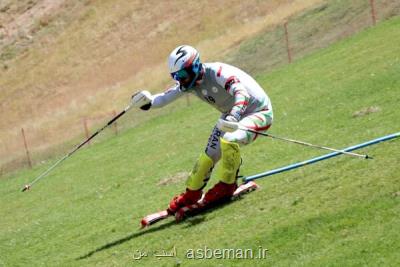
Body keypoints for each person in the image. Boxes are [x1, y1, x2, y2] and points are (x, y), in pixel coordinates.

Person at [131, 45, 273, 214]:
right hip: (230, 116)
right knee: (208, 156)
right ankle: (191, 194)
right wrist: (147, 102)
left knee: (229, 139)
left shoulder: (218, 72)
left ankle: (227, 185)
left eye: (182, 75)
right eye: (176, 76)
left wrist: (234, 116)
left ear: (195, 66)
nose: (180, 80)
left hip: (258, 112)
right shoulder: (189, 83)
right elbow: (163, 98)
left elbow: (241, 93)